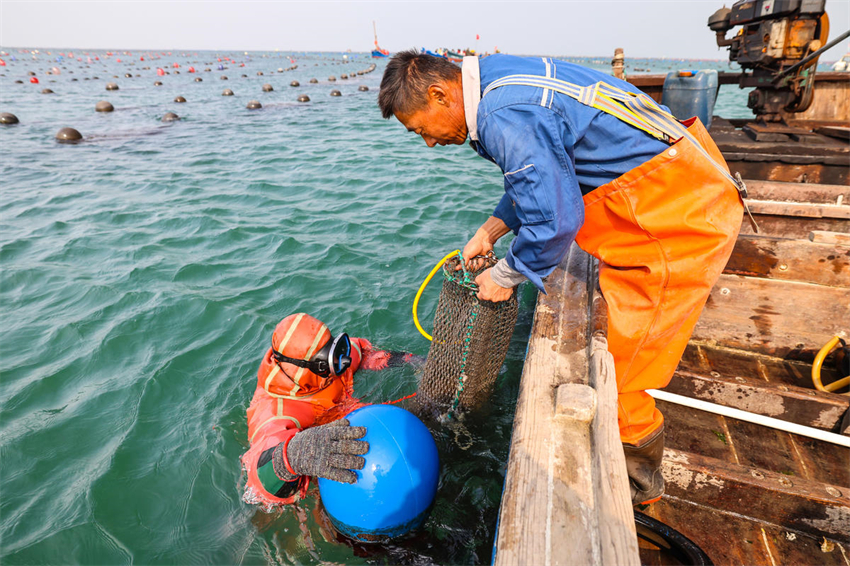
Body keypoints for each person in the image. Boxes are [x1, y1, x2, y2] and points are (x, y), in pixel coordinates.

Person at [378, 51, 745, 505]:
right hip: (679, 178)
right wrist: (490, 230)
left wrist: (506, 275)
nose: (428, 144)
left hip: (677, 215)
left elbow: (556, 220)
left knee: (622, 375)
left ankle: (638, 495)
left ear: (439, 94)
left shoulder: (500, 113)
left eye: (420, 130)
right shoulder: (497, 81)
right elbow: (545, 170)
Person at [242, 313, 418, 507]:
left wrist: (410, 361)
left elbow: (364, 353)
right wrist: (292, 455)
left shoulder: (333, 358)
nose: (341, 362)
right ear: (310, 366)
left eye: (333, 347)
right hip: (325, 468)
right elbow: (257, 478)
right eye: (328, 360)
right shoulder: (273, 410)